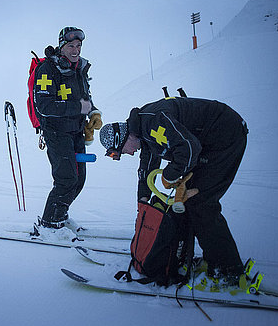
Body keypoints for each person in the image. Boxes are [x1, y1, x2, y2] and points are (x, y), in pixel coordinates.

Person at [99, 97, 248, 285]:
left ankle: (230, 271)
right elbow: (145, 170)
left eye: (120, 152)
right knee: (187, 203)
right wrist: (143, 203)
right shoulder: (143, 133)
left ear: (125, 138)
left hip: (225, 135)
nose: (127, 154)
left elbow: (189, 148)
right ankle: (208, 258)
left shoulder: (152, 123)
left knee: (202, 204)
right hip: (209, 143)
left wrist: (170, 175)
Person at [33, 27, 102, 229]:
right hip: (56, 132)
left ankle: (60, 216)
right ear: (62, 46)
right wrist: (79, 107)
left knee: (79, 179)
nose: (75, 50)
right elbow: (44, 106)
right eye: (71, 45)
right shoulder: (47, 69)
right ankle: (49, 224)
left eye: (78, 45)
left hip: (76, 132)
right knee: (66, 179)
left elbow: (84, 99)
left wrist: (93, 112)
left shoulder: (79, 68)